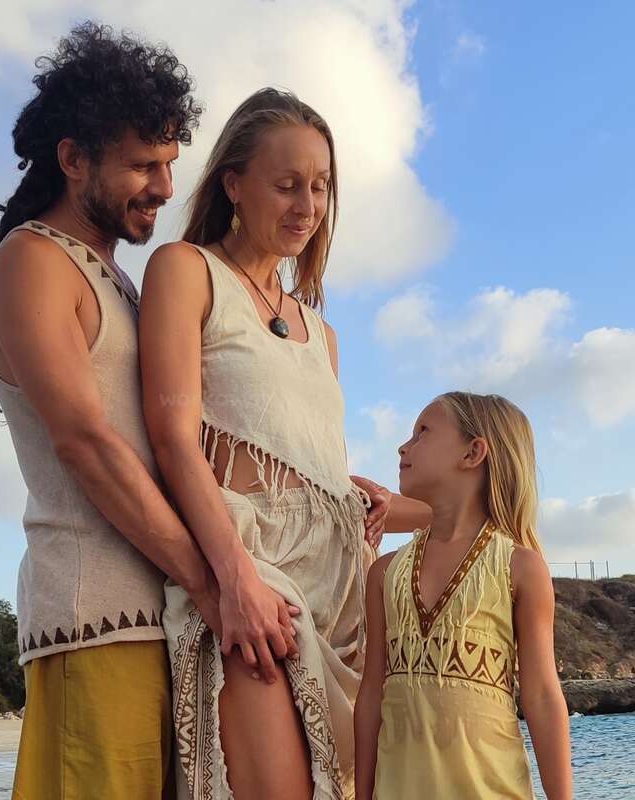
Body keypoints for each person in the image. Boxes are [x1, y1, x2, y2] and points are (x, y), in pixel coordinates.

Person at [0, 23, 301, 800]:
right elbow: (88, 444)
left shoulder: (117, 281)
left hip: (164, 624)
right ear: (73, 158)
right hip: (96, 625)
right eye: (144, 164)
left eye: (172, 163)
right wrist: (220, 586)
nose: (164, 186)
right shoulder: (33, 260)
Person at [139, 87, 432, 800]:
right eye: (288, 184)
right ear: (234, 184)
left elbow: (295, 451)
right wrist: (232, 579)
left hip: (346, 595)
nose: (308, 205)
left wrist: (359, 493)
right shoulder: (186, 271)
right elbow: (175, 438)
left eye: (322, 187)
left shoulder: (320, 332)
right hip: (255, 571)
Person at [354, 391, 572, 800]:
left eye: (422, 432)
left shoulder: (519, 568)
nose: (404, 445)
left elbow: (542, 696)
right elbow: (371, 695)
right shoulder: (384, 573)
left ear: (473, 453)